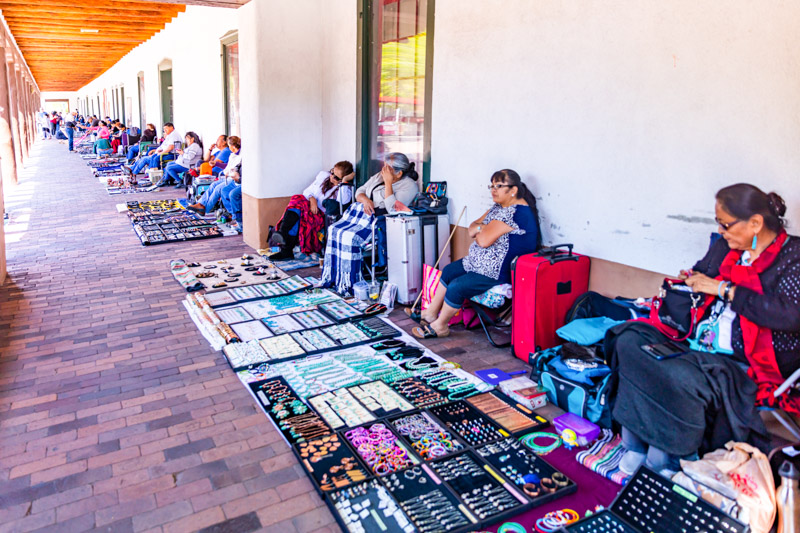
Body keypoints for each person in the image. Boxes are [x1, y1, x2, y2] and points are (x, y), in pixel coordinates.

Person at [611, 183, 799, 475]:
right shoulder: (727, 247)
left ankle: (666, 460)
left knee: (676, 374)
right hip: (697, 340)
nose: (721, 233)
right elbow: (703, 272)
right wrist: (691, 279)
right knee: (629, 338)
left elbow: (789, 315)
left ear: (756, 223)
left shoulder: (793, 258)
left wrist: (725, 289)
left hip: (743, 360)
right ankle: (634, 445)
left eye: (725, 225)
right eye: (718, 225)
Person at [410, 169, 542, 339]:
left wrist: (483, 229)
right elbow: (473, 228)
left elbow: (483, 240)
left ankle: (441, 325)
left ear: (513, 190)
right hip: (478, 263)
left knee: (457, 286)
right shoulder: (499, 207)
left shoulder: (517, 213)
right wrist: (483, 228)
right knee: (450, 270)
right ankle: (430, 313)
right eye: (492, 186)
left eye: (499, 186)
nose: (493, 190)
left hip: (496, 271)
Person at [321, 152, 419, 293]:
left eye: (387, 168)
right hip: (360, 214)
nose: (383, 170)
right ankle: (334, 275)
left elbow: (392, 209)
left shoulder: (409, 186)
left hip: (378, 221)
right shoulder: (380, 175)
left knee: (350, 237)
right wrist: (365, 200)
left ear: (399, 173)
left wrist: (388, 183)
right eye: (384, 166)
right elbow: (360, 191)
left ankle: (348, 280)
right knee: (334, 230)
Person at [270, 161, 355, 260]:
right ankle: (284, 239)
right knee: (297, 200)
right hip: (307, 205)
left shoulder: (345, 190)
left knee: (298, 209)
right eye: (332, 172)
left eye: (336, 177)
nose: (332, 177)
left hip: (318, 215)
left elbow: (342, 203)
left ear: (342, 179)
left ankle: (284, 240)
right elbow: (307, 191)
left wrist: (343, 183)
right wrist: (312, 199)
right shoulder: (324, 176)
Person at [186, 136, 242, 216]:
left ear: (232, 146)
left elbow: (235, 169)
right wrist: (216, 164)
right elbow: (227, 166)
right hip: (227, 176)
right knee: (213, 185)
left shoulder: (240, 155)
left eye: (229, 146)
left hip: (232, 178)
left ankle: (205, 209)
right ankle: (200, 204)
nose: (228, 148)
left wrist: (229, 172)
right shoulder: (232, 154)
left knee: (218, 189)